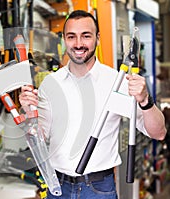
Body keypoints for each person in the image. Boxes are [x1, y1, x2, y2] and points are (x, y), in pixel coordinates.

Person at [19, 10, 166, 199]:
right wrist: (29, 112)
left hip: (98, 189)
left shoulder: (117, 82)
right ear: (64, 39)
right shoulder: (50, 83)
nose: (78, 44)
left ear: (97, 38)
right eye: (71, 36)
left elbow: (158, 133)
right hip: (57, 187)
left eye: (85, 36)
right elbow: (40, 136)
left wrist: (146, 101)